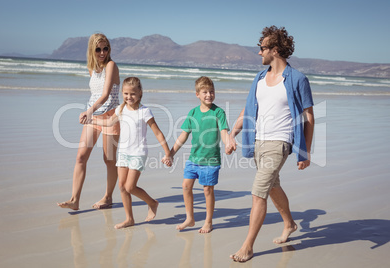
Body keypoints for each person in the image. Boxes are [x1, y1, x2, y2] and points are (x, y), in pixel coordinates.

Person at [227, 26, 315, 262]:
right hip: (258, 141)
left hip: (280, 142)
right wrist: (233, 133)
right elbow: (249, 109)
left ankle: (247, 246)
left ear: (275, 50)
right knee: (272, 186)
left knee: (258, 193)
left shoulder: (297, 79)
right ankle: (289, 224)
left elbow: (308, 116)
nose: (259, 53)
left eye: (262, 48)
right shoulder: (259, 78)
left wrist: (304, 152)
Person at [88, 77, 172, 229]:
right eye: (126, 94)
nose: (129, 97)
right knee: (121, 186)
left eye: (132, 94)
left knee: (130, 187)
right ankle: (129, 219)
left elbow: (158, 133)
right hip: (123, 153)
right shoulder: (121, 109)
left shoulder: (145, 111)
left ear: (140, 93)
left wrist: (168, 153)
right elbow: (108, 122)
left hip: (138, 153)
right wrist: (91, 120)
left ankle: (152, 202)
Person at [58, 33, 121, 210]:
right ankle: (74, 200)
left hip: (110, 117)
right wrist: (90, 112)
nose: (102, 52)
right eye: (98, 49)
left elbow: (106, 93)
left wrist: (88, 110)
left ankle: (108, 197)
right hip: (94, 118)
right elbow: (94, 93)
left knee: (108, 160)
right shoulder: (92, 68)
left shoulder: (111, 65)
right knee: (81, 157)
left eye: (105, 48)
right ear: (92, 50)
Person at [166, 76, 229, 233]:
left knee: (208, 190)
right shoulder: (193, 113)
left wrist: (228, 143)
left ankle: (208, 221)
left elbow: (224, 131)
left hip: (210, 160)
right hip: (194, 159)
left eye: (211, 91)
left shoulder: (218, 112)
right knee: (186, 186)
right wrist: (171, 153)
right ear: (197, 94)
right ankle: (190, 218)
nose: (209, 95)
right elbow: (183, 136)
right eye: (205, 92)